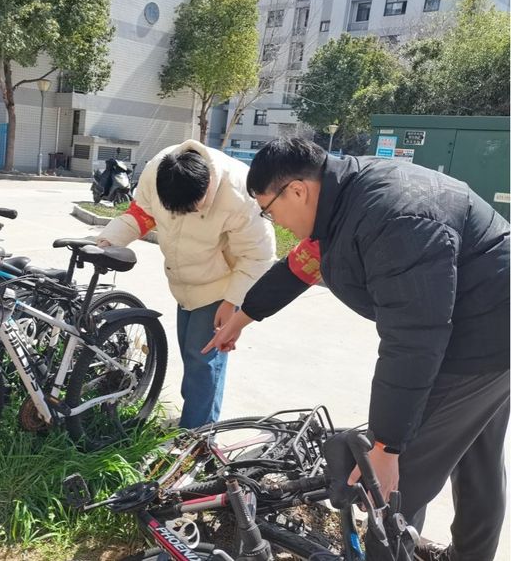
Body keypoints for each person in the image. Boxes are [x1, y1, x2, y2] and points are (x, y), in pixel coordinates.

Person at [204, 137, 510, 561]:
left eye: (269, 210)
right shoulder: (345, 194)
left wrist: (387, 445)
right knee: (477, 456)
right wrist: (243, 316)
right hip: (493, 325)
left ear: (297, 191)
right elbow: (300, 266)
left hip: (479, 340)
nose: (276, 222)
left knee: (392, 481)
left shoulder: (393, 220)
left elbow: (413, 339)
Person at [96, 140, 275, 429]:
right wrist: (106, 242)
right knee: (192, 357)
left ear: (208, 187)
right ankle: (195, 422)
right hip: (183, 282)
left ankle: (197, 435)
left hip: (221, 286)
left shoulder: (239, 191)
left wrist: (232, 302)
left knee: (203, 360)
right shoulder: (158, 171)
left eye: (192, 208)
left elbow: (259, 256)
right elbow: (141, 215)